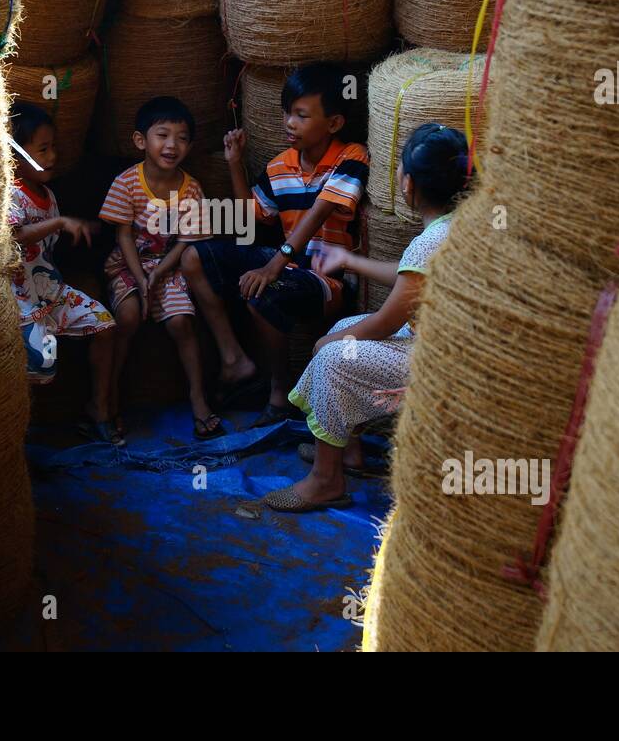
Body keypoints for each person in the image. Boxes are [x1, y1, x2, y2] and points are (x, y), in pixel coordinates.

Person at [260, 123, 471, 513]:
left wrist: (328, 345)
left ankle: (326, 482)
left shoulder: (431, 239)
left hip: (440, 362)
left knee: (333, 357)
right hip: (444, 344)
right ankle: (347, 451)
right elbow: (413, 275)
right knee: (343, 330)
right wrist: (351, 260)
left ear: (408, 185)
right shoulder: (456, 227)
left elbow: (389, 321)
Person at [181, 63, 369, 429]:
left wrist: (276, 264)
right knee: (193, 258)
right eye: (287, 113)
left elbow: (322, 209)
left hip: (325, 279)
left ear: (333, 124)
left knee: (261, 292)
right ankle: (234, 358)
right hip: (286, 266)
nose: (289, 123)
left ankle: (279, 393)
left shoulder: (352, 156)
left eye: (301, 115)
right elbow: (247, 223)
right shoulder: (278, 167)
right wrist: (235, 164)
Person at [99, 97, 223, 440]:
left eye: (182, 138)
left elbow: (186, 241)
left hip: (170, 267)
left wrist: (159, 274)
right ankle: (109, 400)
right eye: (163, 135)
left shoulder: (191, 189)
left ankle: (198, 398)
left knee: (182, 322)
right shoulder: (127, 183)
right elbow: (122, 233)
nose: (172, 145)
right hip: (128, 265)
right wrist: (141, 277)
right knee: (126, 317)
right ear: (141, 141)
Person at [7, 101, 120, 445]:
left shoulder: (49, 195)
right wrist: (59, 222)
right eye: (43, 149)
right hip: (23, 302)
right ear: (15, 155)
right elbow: (12, 237)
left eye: (53, 146)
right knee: (40, 367)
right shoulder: (12, 195)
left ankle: (97, 410)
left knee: (104, 324)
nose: (53, 155)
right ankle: (17, 438)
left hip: (52, 294)